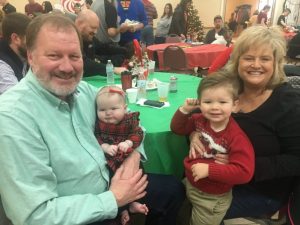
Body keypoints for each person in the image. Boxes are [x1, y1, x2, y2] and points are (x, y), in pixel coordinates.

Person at [0, 13, 185, 225]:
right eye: (54, 56)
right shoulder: (12, 116)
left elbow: (131, 121)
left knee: (173, 190)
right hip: (75, 213)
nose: (67, 67)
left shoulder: (84, 91)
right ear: (31, 57)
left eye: (74, 56)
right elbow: (36, 215)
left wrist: (133, 157)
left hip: (110, 183)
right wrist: (114, 199)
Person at [191, 25, 300, 224]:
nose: (255, 65)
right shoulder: (230, 87)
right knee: (180, 190)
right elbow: (201, 112)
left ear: (276, 63)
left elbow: (296, 159)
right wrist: (195, 133)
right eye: (249, 58)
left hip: (260, 188)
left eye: (265, 59)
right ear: (237, 61)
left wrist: (243, 166)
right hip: (217, 175)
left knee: (195, 205)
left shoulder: (288, 103)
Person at [171, 72, 255, 225]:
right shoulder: (200, 120)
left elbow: (245, 172)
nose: (215, 107)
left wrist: (209, 170)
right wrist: (185, 110)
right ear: (200, 103)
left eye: (222, 102)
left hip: (212, 198)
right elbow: (177, 128)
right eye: (208, 102)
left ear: (235, 105)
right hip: (192, 183)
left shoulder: (236, 137)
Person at [95, 85, 148, 225]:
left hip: (127, 156)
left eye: (113, 109)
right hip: (111, 162)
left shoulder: (130, 120)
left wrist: (129, 142)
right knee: (112, 184)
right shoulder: (99, 124)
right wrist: (105, 147)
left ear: (124, 108)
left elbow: (138, 133)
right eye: (102, 110)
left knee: (140, 177)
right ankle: (122, 209)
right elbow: (96, 138)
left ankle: (135, 202)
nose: (108, 113)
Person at [74, 9, 126, 76]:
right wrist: (113, 69)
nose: (95, 32)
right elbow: (82, 63)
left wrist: (125, 50)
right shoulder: (70, 39)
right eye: (93, 27)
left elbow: (103, 48)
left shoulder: (87, 37)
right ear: (79, 24)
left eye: (96, 28)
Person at [0, 12, 31, 94]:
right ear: (16, 38)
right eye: (30, 37)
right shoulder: (2, 65)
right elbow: (17, 99)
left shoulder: (23, 53)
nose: (35, 42)